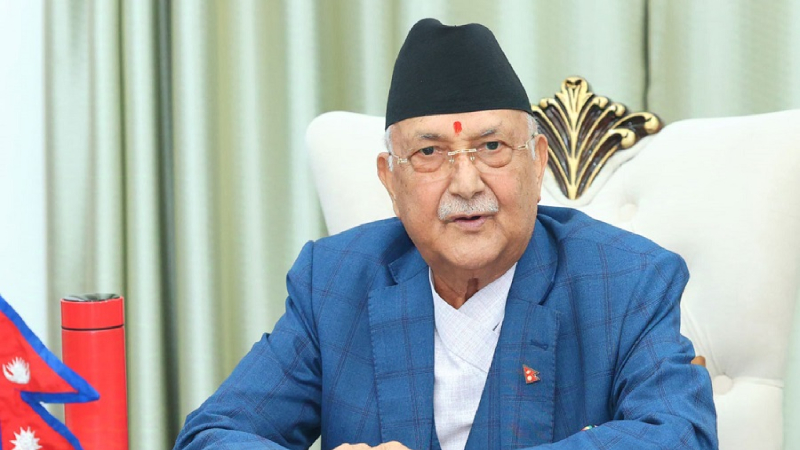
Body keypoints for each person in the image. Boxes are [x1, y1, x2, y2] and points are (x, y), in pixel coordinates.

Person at [174, 18, 717, 450]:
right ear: (390, 179)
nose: (466, 183)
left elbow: (681, 436)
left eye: (492, 147)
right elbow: (213, 434)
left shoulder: (626, 280)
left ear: (537, 162)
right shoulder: (334, 282)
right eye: (430, 152)